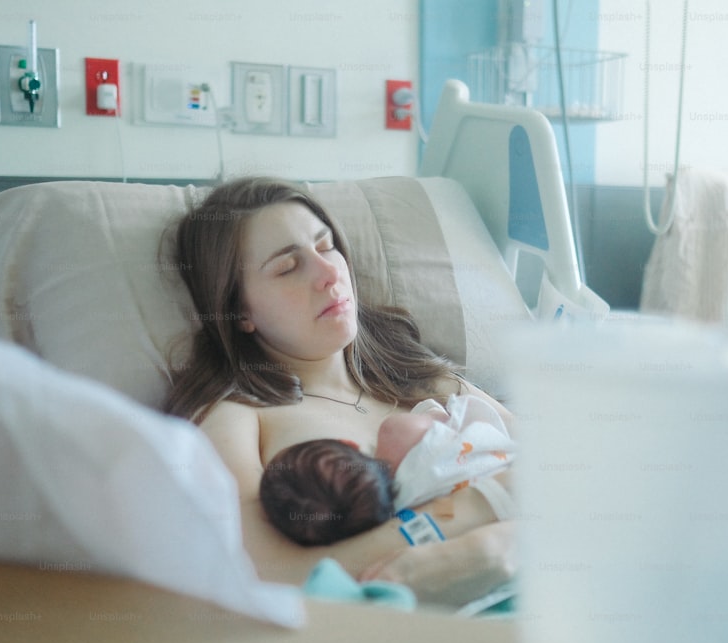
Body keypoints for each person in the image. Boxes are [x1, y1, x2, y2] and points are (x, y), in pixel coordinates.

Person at [163, 176, 517, 607]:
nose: (329, 273)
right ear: (239, 311)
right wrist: (475, 526)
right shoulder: (238, 417)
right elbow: (267, 572)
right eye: (287, 267)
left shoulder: (417, 372)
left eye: (326, 245)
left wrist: (497, 543)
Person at [259, 395, 515, 546]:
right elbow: (444, 412)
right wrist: (431, 411)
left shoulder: (407, 520)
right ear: (348, 443)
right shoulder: (396, 436)